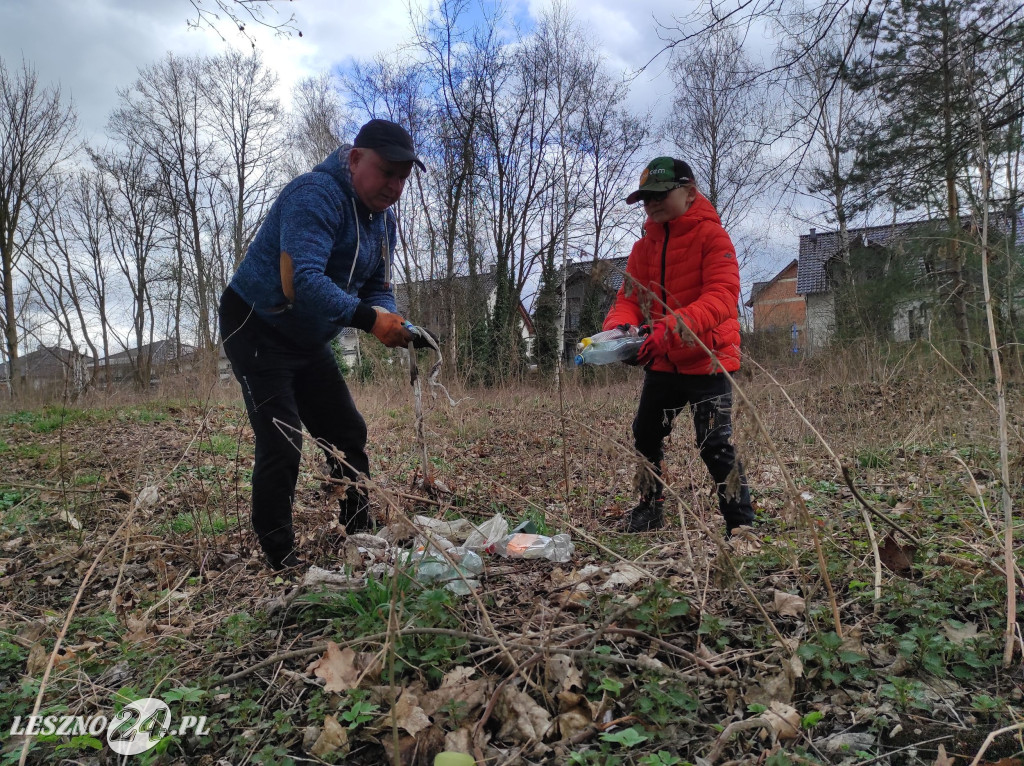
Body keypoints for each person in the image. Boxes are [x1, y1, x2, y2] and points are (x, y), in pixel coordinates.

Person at [219, 119, 426, 570]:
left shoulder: (382, 224)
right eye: (385, 171)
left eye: (402, 177)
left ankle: (360, 532)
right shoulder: (314, 195)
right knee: (282, 439)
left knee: (346, 431)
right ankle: (282, 559)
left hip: (308, 337)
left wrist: (393, 317)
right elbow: (303, 282)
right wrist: (371, 321)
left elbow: (376, 287)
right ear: (354, 159)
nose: (394, 185)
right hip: (256, 324)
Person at [603, 157, 755, 535]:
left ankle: (741, 525)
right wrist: (619, 332)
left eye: (659, 194)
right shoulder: (642, 250)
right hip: (663, 363)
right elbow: (629, 301)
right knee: (646, 434)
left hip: (708, 363)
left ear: (689, 193)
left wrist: (669, 329)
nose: (651, 203)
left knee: (714, 443)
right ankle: (649, 508)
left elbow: (722, 296)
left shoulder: (713, 238)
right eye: (645, 198)